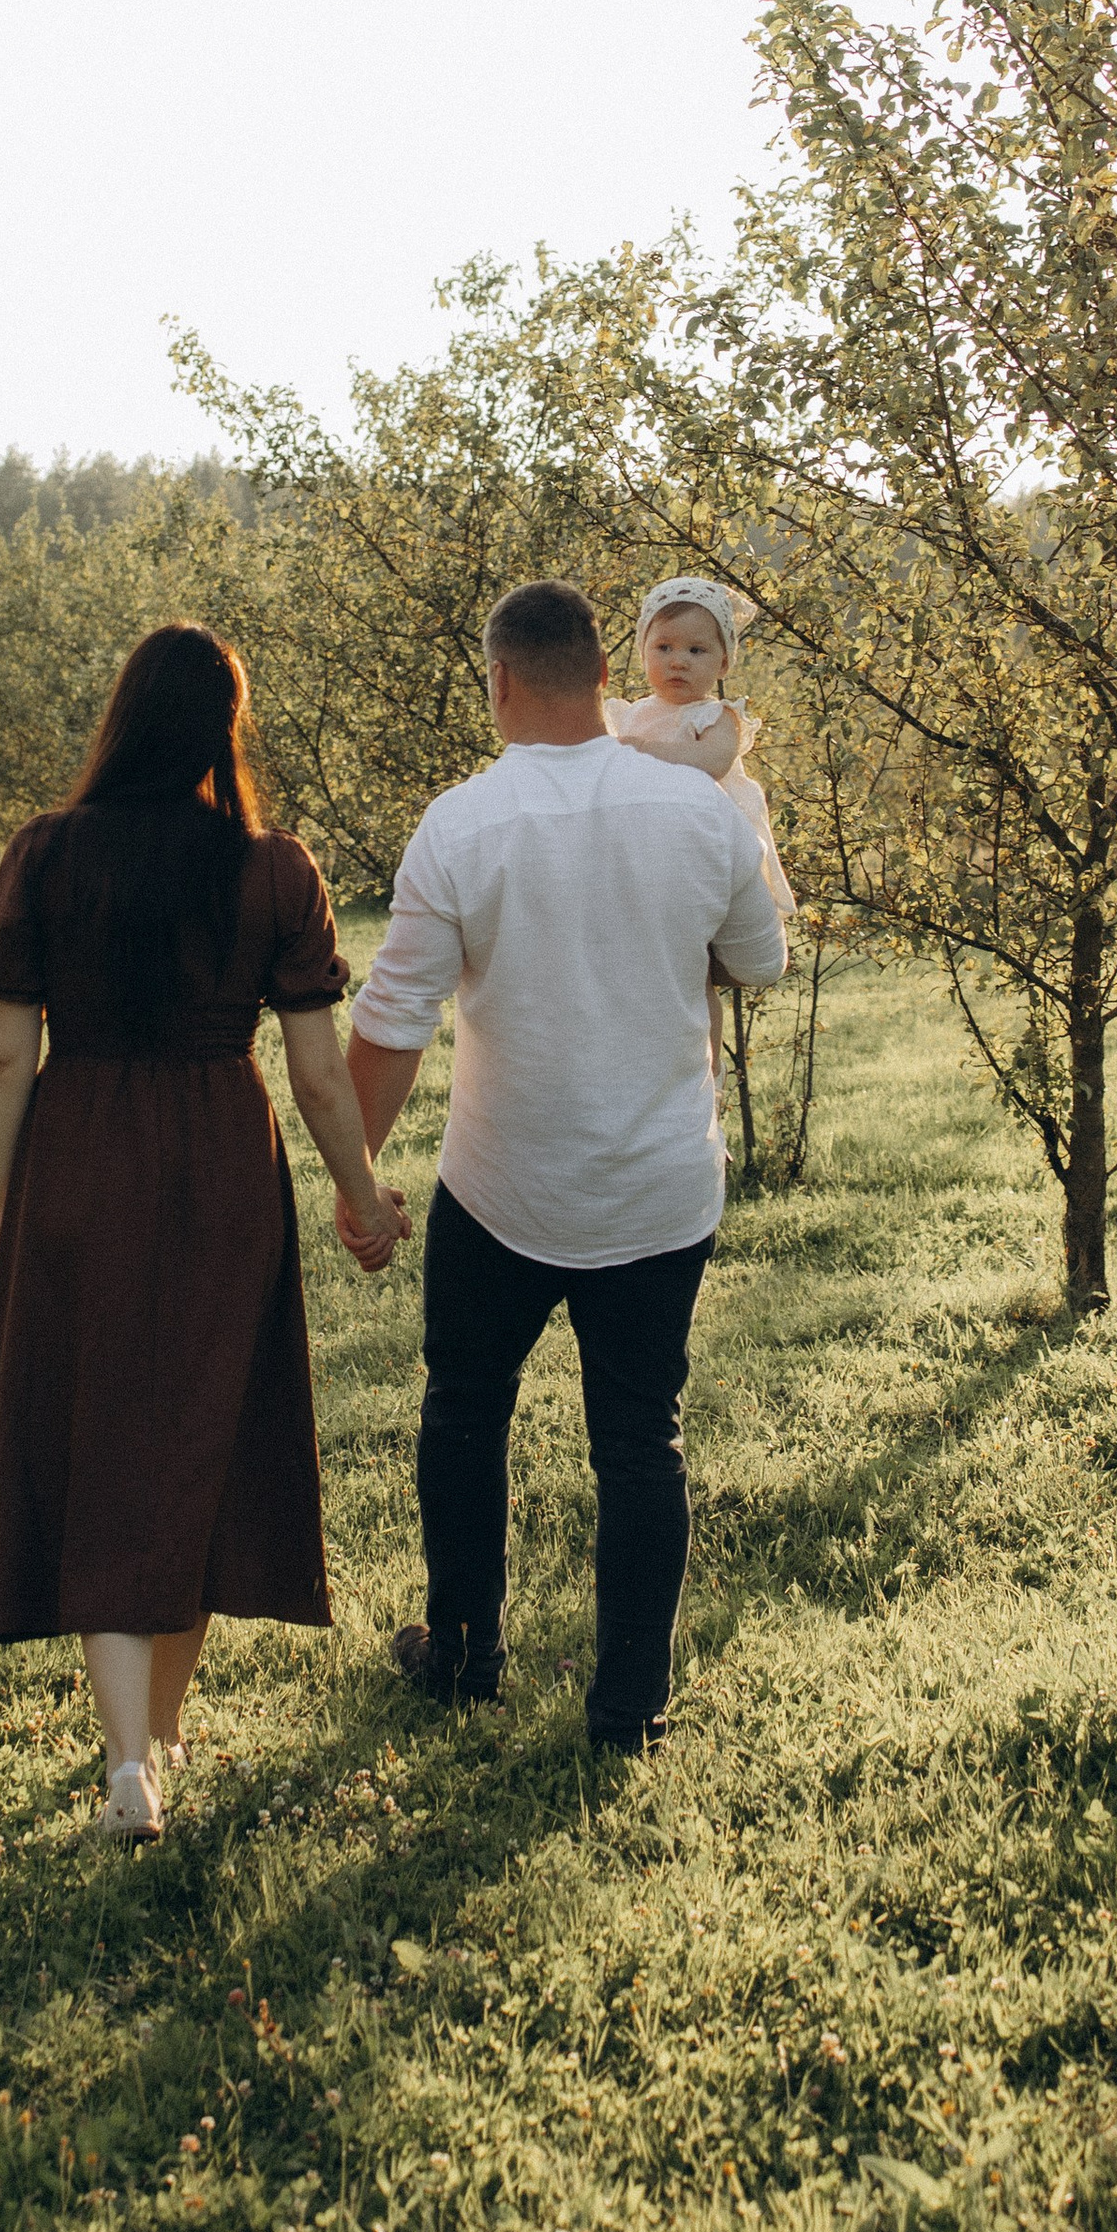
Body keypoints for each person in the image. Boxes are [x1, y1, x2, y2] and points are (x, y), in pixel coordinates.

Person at [0, 624, 408, 1846]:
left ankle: (137, 1757)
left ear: (122, 718)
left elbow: (1, 1053)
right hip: (215, 1164)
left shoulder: (45, 856)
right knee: (195, 1430)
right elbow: (313, 1075)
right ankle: (155, 1742)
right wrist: (361, 1193)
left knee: (102, 1435)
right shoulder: (273, 871)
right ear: (223, 729)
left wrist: (4, 1210)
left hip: (77, 1160)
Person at [340, 578, 788, 1756]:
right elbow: (760, 962)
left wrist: (355, 1177)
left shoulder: (461, 824)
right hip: (656, 1182)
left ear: (497, 682)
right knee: (641, 1438)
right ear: (608, 672)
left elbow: (393, 1020)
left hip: (503, 1186)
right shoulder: (703, 814)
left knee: (464, 1409)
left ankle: (464, 1653)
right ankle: (628, 1707)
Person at [604, 575, 798, 1063]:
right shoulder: (627, 715)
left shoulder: (717, 718)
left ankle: (707, 1080)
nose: (677, 661)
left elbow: (712, 762)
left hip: (708, 855)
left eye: (696, 650)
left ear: (724, 661)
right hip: (649, 854)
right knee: (653, 968)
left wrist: (644, 752)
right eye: (664, 646)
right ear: (643, 648)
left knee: (697, 972)